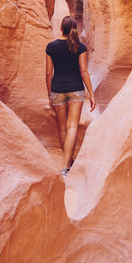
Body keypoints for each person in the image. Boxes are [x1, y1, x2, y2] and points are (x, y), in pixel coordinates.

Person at [46, 16, 95, 177]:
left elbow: (48, 73)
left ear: (61, 28)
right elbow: (83, 71)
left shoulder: (51, 47)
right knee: (72, 127)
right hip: (75, 90)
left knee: (62, 128)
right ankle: (67, 165)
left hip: (57, 90)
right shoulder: (80, 47)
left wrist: (49, 94)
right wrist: (91, 94)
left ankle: (67, 163)